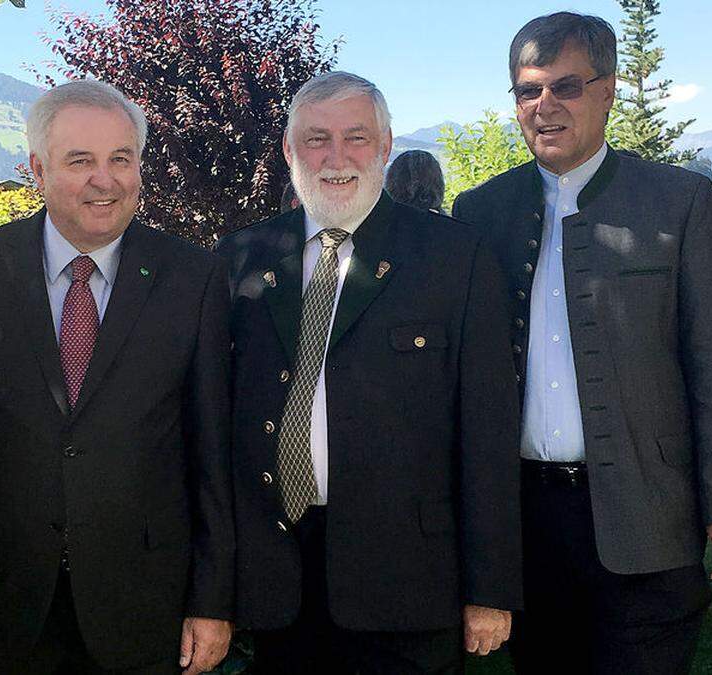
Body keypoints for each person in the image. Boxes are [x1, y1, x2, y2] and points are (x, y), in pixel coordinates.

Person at [452, 12, 712, 674]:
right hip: (529, 526)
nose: (545, 106)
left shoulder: (679, 202)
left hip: (649, 516)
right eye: (528, 90)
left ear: (609, 89)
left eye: (566, 86)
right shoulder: (481, 213)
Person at [218, 71, 522, 674]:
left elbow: (487, 431)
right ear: (288, 150)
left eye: (356, 137)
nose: (336, 158)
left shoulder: (454, 257)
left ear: (385, 146)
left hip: (409, 583)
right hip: (279, 581)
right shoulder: (242, 256)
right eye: (316, 139)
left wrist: (489, 587)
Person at [0, 79, 234, 675]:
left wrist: (213, 599)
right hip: (2, 600)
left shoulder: (193, 277)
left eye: (121, 159)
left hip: (146, 606)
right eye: (81, 161)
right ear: (37, 169)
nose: (106, 179)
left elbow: (212, 450)